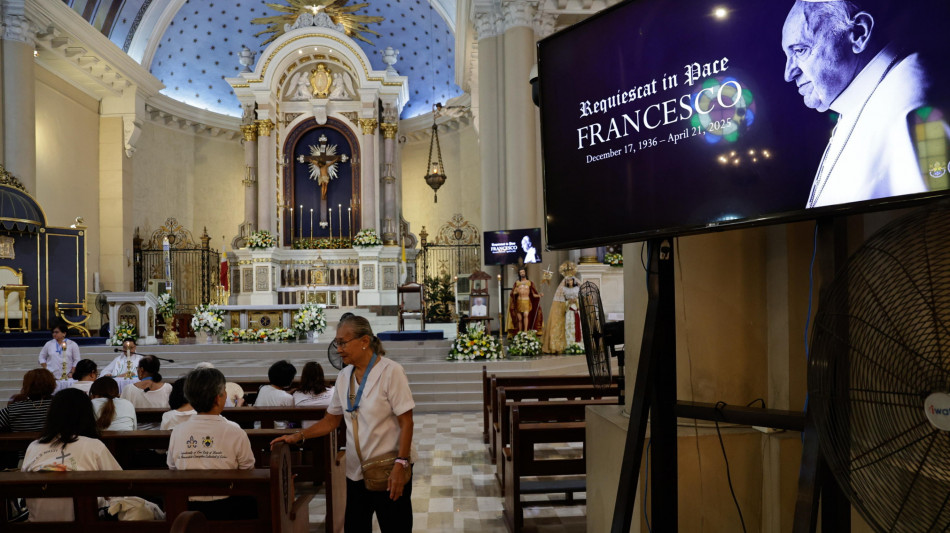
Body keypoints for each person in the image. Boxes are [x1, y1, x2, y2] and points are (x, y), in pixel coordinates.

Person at [781, 0, 946, 208]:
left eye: (800, 50)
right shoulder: (853, 102)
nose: (788, 74)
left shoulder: (911, 104)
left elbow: (934, 222)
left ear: (859, 33)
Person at [271, 315, 414, 532]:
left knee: (395, 527)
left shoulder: (391, 371)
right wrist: (299, 436)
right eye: (337, 343)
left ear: (365, 341)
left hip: (388, 468)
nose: (338, 349)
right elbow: (331, 420)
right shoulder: (344, 376)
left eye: (343, 342)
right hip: (356, 471)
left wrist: (400, 464)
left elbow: (407, 422)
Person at [167, 367, 256, 520]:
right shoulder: (234, 431)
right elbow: (247, 469)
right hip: (227, 505)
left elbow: (172, 467)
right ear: (218, 398)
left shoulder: (178, 431)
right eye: (224, 391)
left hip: (188, 506)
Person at [20, 388, 122, 522]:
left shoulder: (34, 446)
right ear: (87, 415)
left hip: (39, 522)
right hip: (84, 523)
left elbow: (23, 486)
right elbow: (119, 484)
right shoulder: (94, 445)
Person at [542, 274, 583, 353]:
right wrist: (568, 302)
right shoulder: (564, 289)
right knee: (568, 326)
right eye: (568, 280)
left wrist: (576, 301)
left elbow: (581, 300)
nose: (570, 282)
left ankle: (578, 344)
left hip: (577, 310)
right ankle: (569, 344)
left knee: (578, 326)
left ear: (574, 281)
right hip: (569, 311)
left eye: (571, 280)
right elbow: (561, 302)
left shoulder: (577, 289)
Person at [255, 360, 296, 429]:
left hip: (258, 429)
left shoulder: (262, 389)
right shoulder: (288, 398)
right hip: (280, 433)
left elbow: (274, 395)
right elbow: (292, 418)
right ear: (289, 380)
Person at [293, 361, 334, 429]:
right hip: (329, 433)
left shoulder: (297, 395)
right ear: (322, 376)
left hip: (307, 434)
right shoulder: (333, 391)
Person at [508, 268, 543, 336]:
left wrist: (539, 295)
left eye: (523, 272)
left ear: (525, 273)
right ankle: (520, 332)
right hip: (519, 301)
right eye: (521, 272)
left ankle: (525, 331)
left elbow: (533, 294)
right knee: (520, 318)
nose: (522, 273)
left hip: (526, 301)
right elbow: (513, 293)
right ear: (519, 274)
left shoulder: (529, 283)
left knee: (526, 315)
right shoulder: (517, 283)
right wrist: (516, 292)